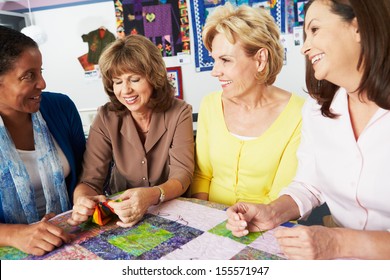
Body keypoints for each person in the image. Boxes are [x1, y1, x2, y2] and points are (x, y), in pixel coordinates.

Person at [226, 0, 390, 259]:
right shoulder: (317, 109)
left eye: (314, 30)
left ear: (357, 27)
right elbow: (310, 184)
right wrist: (272, 212)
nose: (304, 47)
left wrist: (338, 243)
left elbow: (338, 242)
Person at [68, 34, 194, 228]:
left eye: (134, 79)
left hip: (172, 211)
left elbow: (182, 175)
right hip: (121, 216)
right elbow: (90, 181)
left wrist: (152, 195)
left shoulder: (179, 112)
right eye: (117, 82)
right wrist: (82, 200)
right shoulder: (106, 116)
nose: (125, 90)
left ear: (154, 77)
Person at [189, 3, 304, 206]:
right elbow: (202, 177)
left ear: (260, 59)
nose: (215, 71)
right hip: (210, 223)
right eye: (214, 60)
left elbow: (281, 195)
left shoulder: (299, 114)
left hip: (268, 228)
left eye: (225, 60)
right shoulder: (210, 105)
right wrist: (207, 223)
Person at [0, 26, 86, 256]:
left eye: (40, 71)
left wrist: (84, 195)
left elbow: (86, 170)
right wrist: (14, 234)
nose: (43, 83)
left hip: (72, 237)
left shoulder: (61, 107)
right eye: (29, 75)